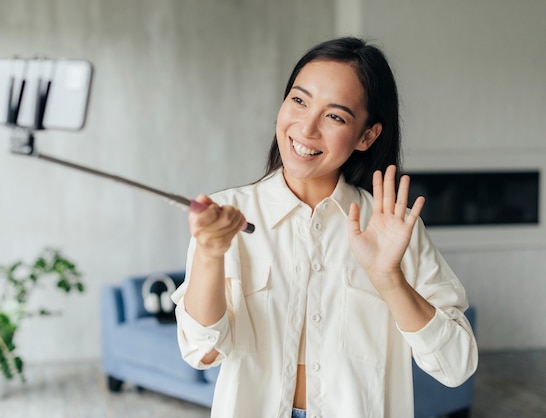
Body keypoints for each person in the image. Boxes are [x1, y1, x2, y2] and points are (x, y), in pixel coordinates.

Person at [171, 37, 478, 418]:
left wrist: (389, 279)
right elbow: (201, 351)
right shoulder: (225, 218)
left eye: (335, 116)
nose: (307, 127)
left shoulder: (394, 230)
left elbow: (455, 366)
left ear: (367, 135)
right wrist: (209, 253)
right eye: (299, 101)